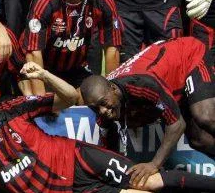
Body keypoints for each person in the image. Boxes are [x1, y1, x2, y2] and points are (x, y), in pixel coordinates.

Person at [0, 71, 215, 193]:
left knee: (149, 181)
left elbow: (69, 97)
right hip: (70, 192)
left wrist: (44, 75)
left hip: (77, 157)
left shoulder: (13, 109)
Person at [80, 38, 215, 183]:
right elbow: (108, 146)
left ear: (113, 89)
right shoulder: (103, 101)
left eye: (103, 103)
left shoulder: (140, 85)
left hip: (188, 54)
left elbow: (177, 125)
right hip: (167, 78)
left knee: (205, 116)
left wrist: (154, 164)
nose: (102, 111)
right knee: (199, 140)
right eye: (95, 108)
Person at [23, 0, 122, 92]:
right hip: (44, 71)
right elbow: (33, 53)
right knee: (45, 101)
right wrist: (41, 100)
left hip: (76, 69)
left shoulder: (103, 1)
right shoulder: (44, 2)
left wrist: (112, 93)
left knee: (97, 96)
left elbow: (113, 47)